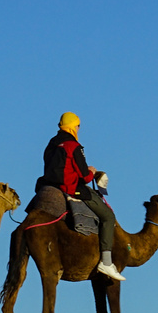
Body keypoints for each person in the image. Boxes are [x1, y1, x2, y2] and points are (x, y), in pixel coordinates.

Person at [38, 111, 124, 281]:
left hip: (48, 187)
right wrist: (92, 171)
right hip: (71, 188)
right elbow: (85, 177)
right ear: (72, 126)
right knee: (108, 216)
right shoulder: (74, 146)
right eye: (78, 125)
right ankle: (106, 261)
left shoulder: (51, 144)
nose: (78, 129)